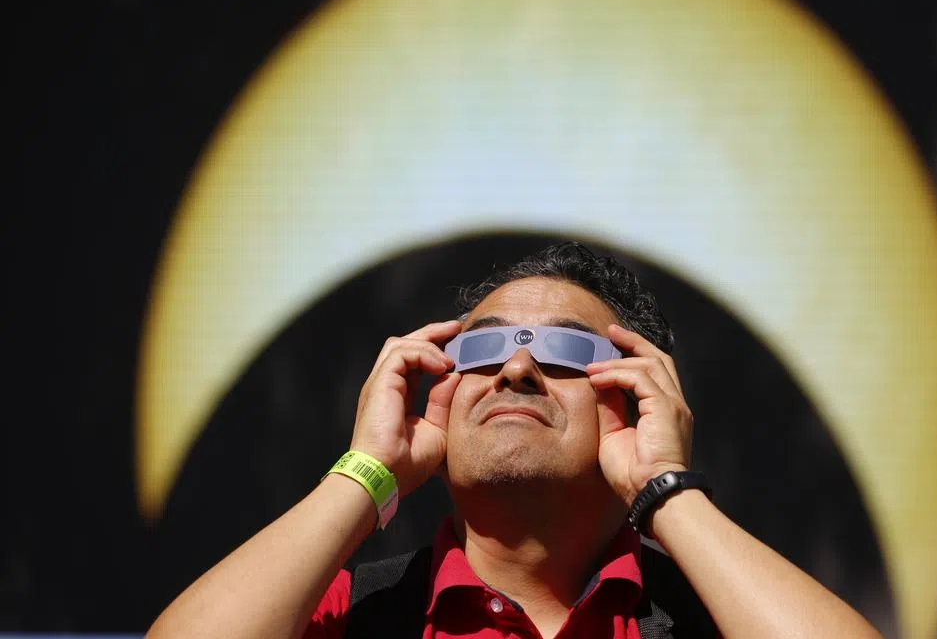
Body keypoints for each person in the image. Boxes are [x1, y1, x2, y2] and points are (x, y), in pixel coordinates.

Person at [149, 241, 882, 638]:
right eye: (479, 352)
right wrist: (368, 470)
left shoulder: (719, 620)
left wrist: (663, 487)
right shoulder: (351, 618)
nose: (519, 368)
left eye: (566, 353)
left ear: (633, 397)